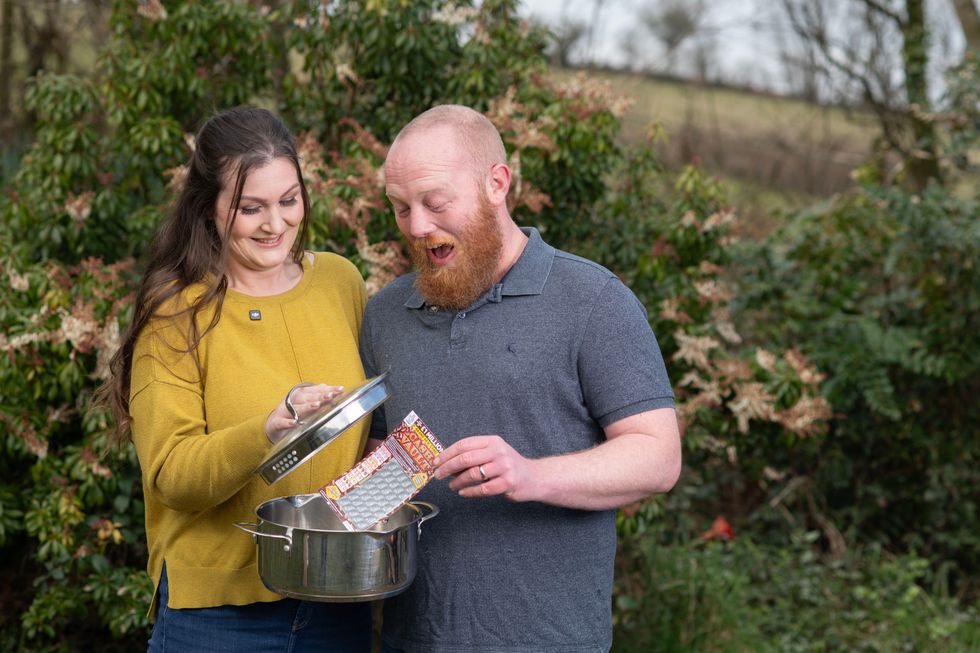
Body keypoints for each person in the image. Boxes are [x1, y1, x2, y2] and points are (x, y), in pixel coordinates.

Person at [359, 104, 682, 653]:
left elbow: (658, 458)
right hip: (412, 640)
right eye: (400, 208)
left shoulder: (592, 301)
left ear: (496, 184)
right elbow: (382, 467)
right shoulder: (386, 314)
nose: (416, 226)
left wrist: (529, 474)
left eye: (436, 203)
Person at [102, 106, 372, 652]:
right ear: (209, 209)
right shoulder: (178, 312)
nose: (276, 224)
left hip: (337, 604)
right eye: (252, 208)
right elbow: (171, 474)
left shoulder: (340, 282)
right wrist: (268, 430)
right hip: (219, 619)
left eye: (289, 200)